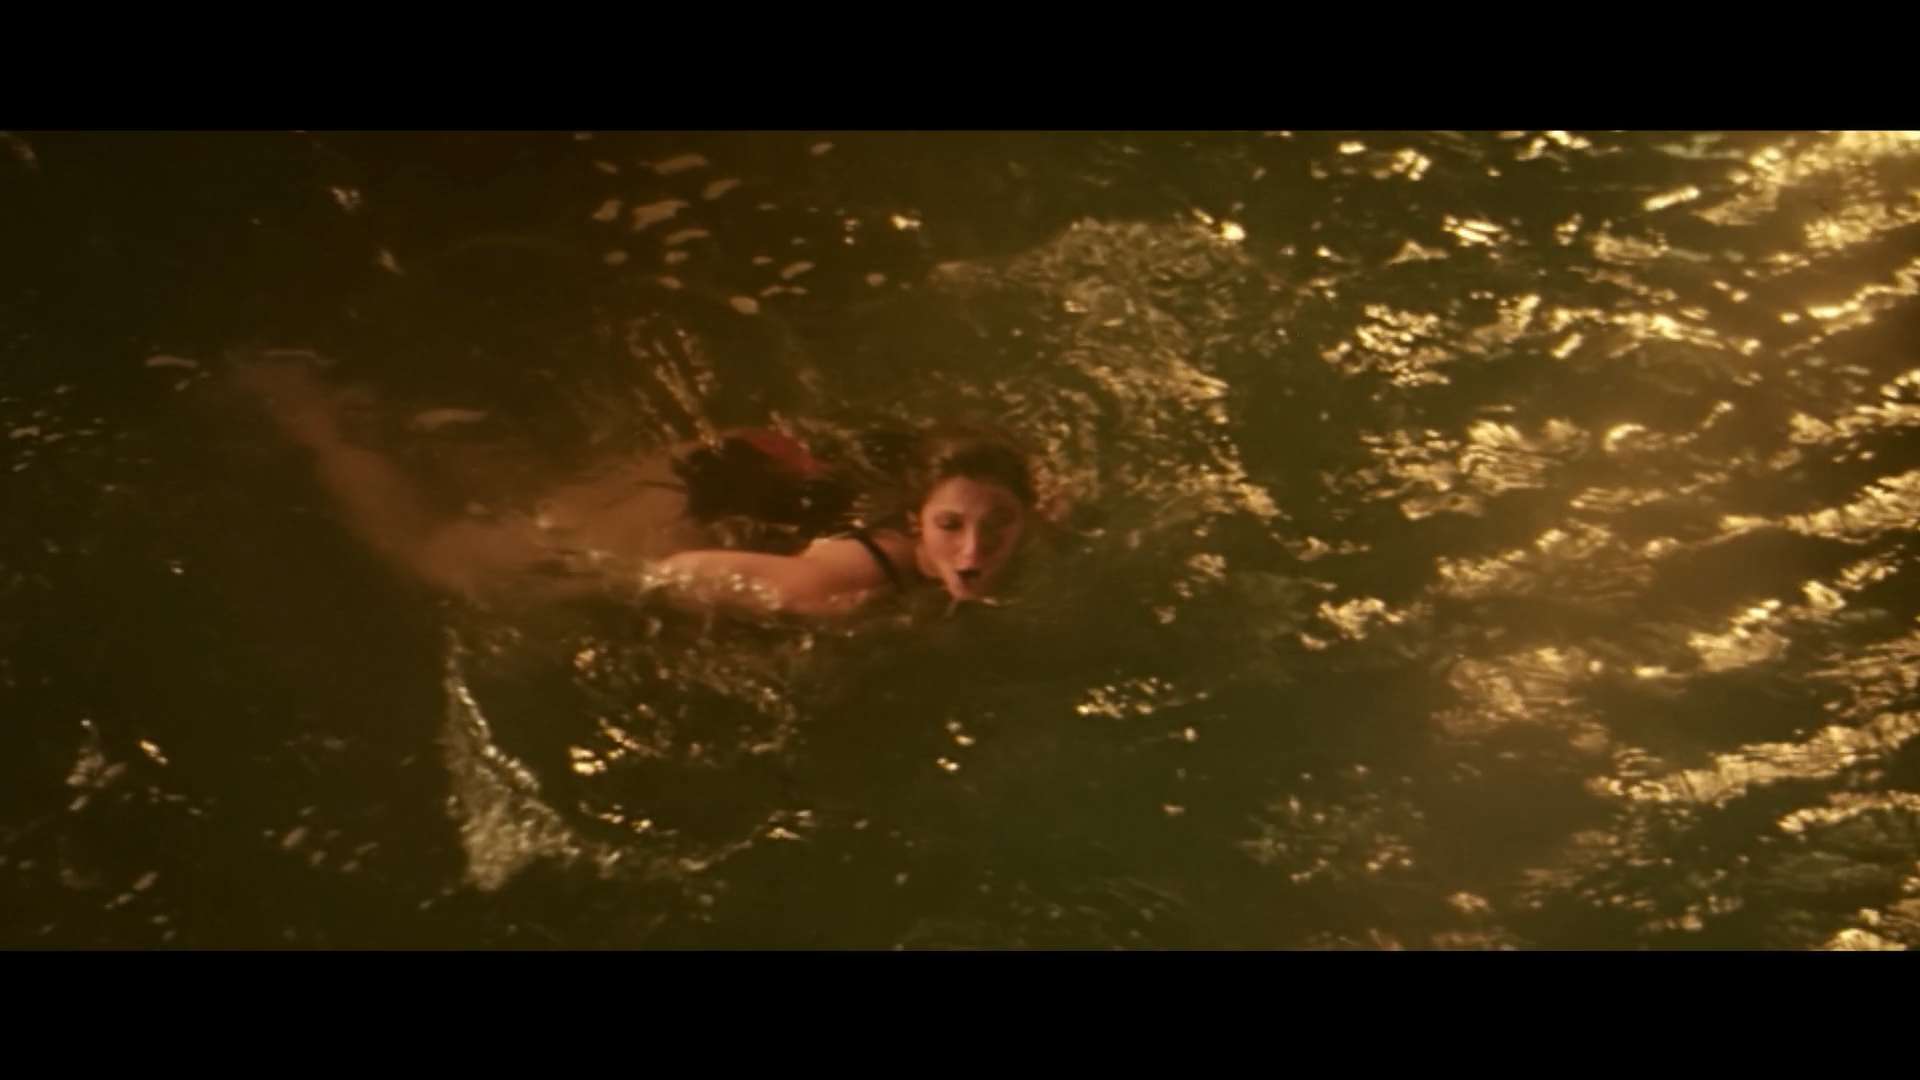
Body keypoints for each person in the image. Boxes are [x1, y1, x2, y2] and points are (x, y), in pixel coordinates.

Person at [233, 356, 1039, 616]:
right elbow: (689, 573)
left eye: (998, 526)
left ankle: (404, 420)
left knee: (541, 501)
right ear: (918, 515)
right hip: (706, 486)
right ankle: (309, 416)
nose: (974, 554)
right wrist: (606, 580)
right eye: (951, 527)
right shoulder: (849, 578)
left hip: (772, 461)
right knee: (442, 560)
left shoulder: (1010, 506)